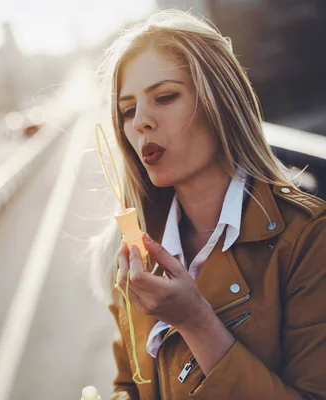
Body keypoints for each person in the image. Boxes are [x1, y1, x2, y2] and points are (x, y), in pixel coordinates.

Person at [88, 9, 326, 400]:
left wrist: (196, 322)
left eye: (164, 97)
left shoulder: (307, 237)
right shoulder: (132, 251)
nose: (141, 122)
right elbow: (129, 384)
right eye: (128, 110)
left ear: (220, 103)